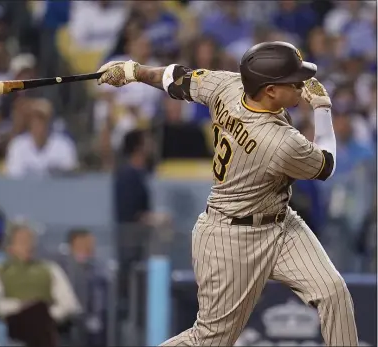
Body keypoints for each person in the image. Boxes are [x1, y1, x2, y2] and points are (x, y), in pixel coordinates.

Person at [96, 41, 358, 346]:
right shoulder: (278, 142)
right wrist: (323, 108)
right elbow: (327, 164)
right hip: (231, 238)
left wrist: (132, 70)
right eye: (294, 81)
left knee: (333, 292)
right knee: (210, 340)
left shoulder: (229, 85)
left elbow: (176, 79)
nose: (302, 86)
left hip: (281, 224)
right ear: (271, 90)